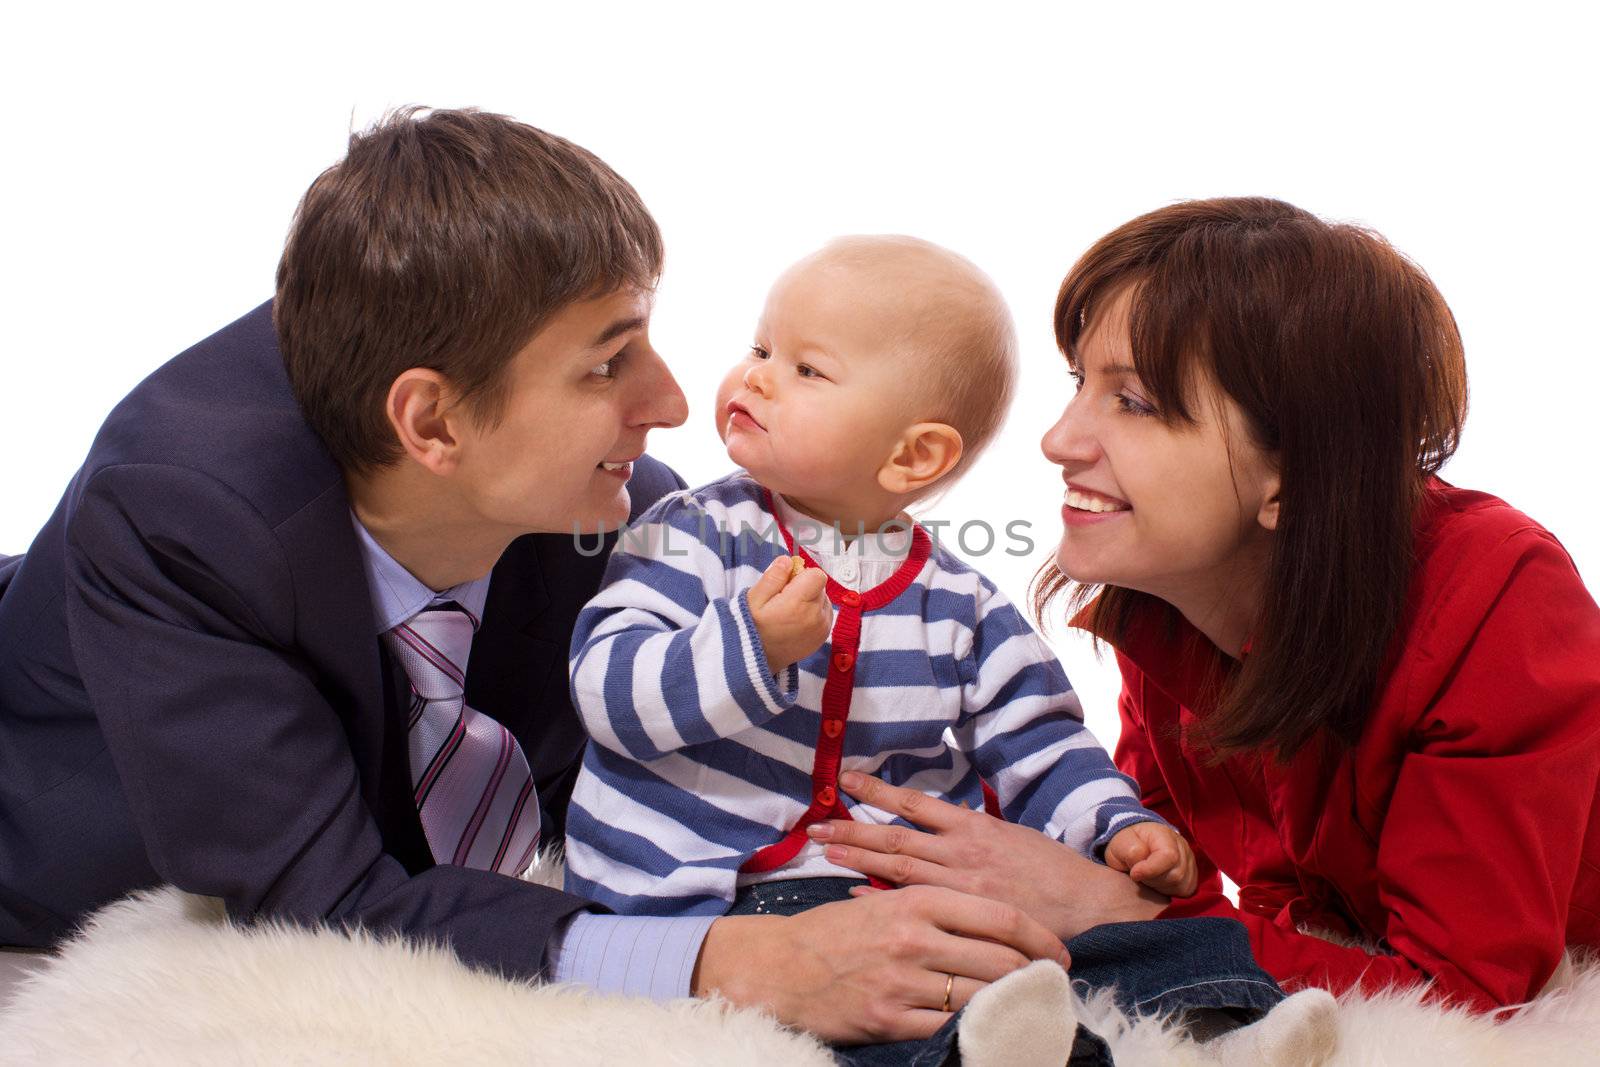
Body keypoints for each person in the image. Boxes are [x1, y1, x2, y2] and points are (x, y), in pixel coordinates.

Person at [0, 108, 1080, 1048]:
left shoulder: (619, 510)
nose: (669, 401)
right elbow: (320, 892)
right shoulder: (180, 521)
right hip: (46, 862)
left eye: (646, 338)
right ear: (432, 422)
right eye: (607, 362)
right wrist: (730, 960)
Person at [807, 197, 1600, 1014]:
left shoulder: (1499, 602)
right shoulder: (1171, 599)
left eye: (1136, 402)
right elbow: (1153, 858)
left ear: (1295, 474)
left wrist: (1111, 914)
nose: (1058, 440)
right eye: (1081, 382)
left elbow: (1459, 997)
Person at [563, 236, 1339, 1066]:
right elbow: (609, 694)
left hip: (896, 887)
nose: (753, 376)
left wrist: (1115, 827)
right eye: (759, 349)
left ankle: (1232, 1032)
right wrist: (748, 647)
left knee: (1123, 935)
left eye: (806, 370)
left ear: (913, 456)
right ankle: (1008, 1047)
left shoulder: (960, 604)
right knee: (899, 1001)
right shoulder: (689, 536)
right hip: (718, 894)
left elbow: (1041, 742)